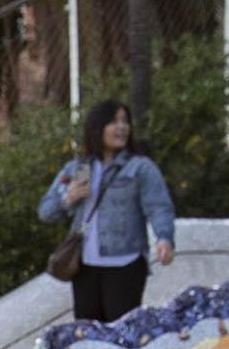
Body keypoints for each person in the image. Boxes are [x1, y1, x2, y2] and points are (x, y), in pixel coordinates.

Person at [38, 98, 178, 321]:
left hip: (125, 263)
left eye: (125, 121)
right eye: (114, 122)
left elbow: (159, 206)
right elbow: (45, 212)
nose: (121, 127)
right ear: (97, 128)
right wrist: (68, 198)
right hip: (84, 266)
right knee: (88, 337)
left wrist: (164, 238)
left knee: (120, 336)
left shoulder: (139, 167)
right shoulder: (79, 168)